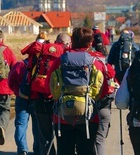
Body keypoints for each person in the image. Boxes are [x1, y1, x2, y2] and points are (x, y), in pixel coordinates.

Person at [45, 27, 112, 155]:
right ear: (90, 43)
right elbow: (103, 90)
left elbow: (48, 87)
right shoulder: (95, 62)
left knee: (65, 150)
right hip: (89, 116)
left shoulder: (61, 60)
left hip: (63, 115)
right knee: (86, 150)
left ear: (72, 41)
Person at [20, 32, 69, 155]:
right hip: (57, 97)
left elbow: (25, 54)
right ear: (66, 43)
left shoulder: (41, 49)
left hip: (38, 96)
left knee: (44, 135)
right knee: (61, 133)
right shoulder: (65, 53)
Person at [8, 58, 40, 155]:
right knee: (38, 126)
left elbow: (10, 81)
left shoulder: (20, 64)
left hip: (21, 98)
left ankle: (22, 149)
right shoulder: (42, 65)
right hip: (37, 99)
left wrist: (17, 92)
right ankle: (37, 149)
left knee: (20, 125)